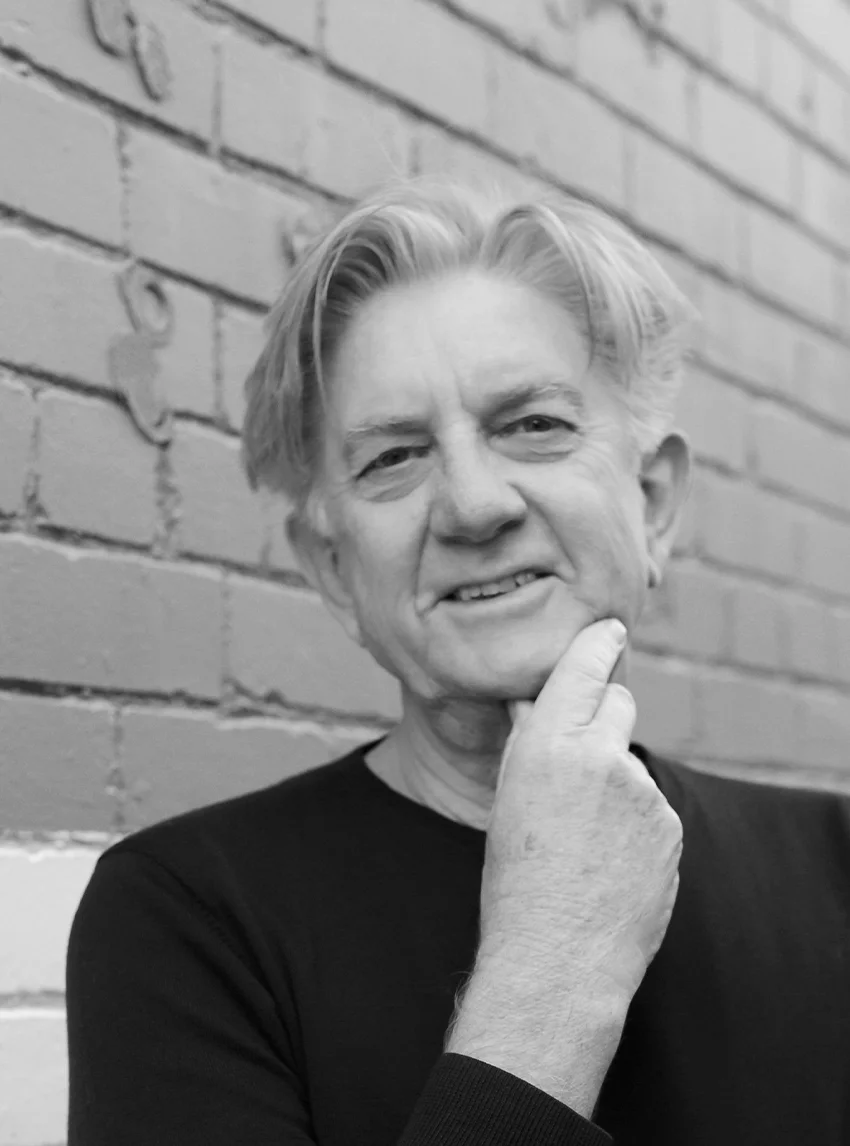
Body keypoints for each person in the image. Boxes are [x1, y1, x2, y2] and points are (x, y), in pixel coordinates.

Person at [66, 181, 850, 1146]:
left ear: (651, 505)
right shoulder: (188, 924)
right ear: (334, 568)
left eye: (534, 425)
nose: (475, 504)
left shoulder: (835, 869)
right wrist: (552, 970)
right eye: (395, 457)